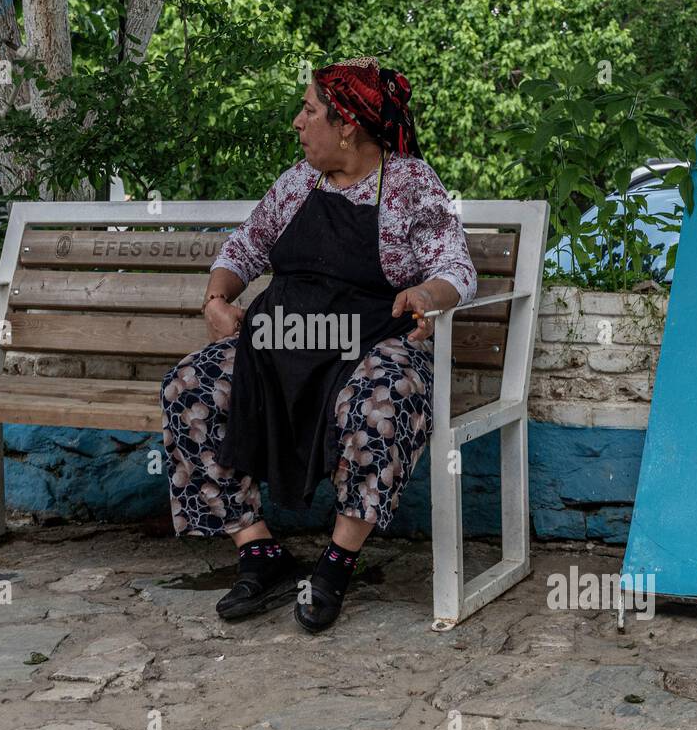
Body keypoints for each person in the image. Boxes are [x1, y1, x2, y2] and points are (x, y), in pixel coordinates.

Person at [159, 56, 477, 633]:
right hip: (280, 341)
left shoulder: (408, 183)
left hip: (369, 342)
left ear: (348, 124)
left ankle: (336, 563)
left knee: (382, 404)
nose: (297, 123)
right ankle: (260, 552)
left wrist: (425, 296)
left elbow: (456, 267)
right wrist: (216, 299)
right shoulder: (298, 182)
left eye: (309, 111)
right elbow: (245, 247)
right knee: (190, 388)